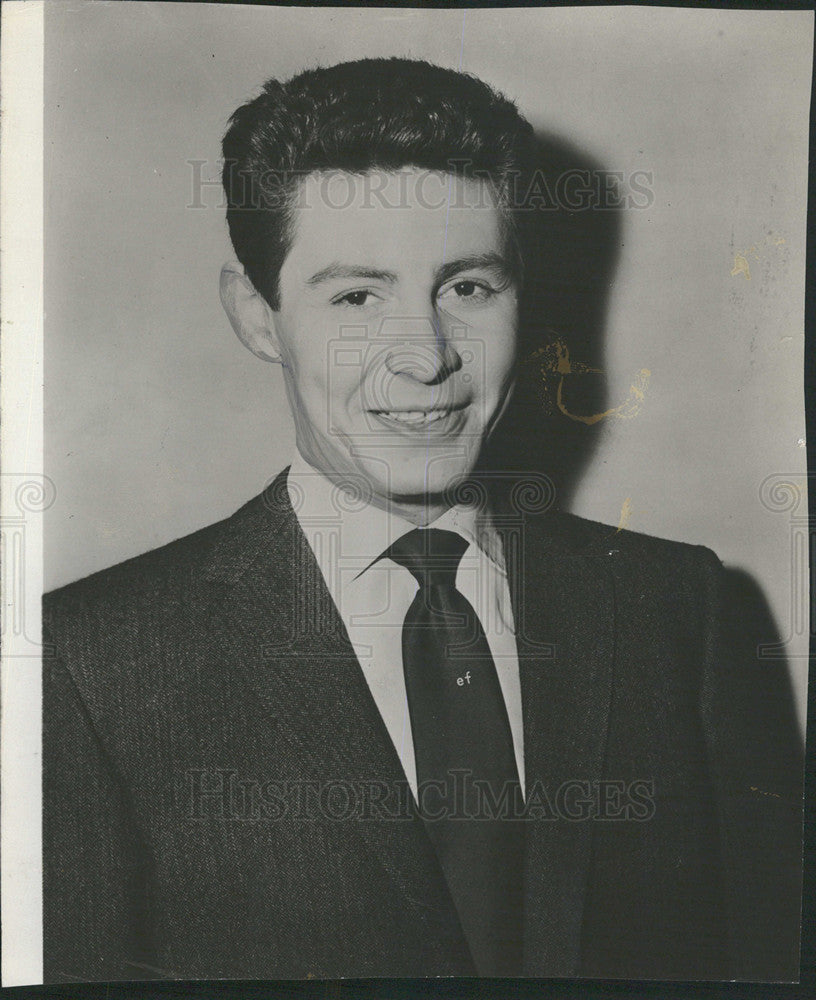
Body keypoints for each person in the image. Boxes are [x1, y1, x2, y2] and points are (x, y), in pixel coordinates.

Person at [42, 57, 802, 983]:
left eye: (467, 288)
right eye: (357, 296)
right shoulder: (94, 661)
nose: (428, 356)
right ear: (257, 317)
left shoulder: (680, 609)